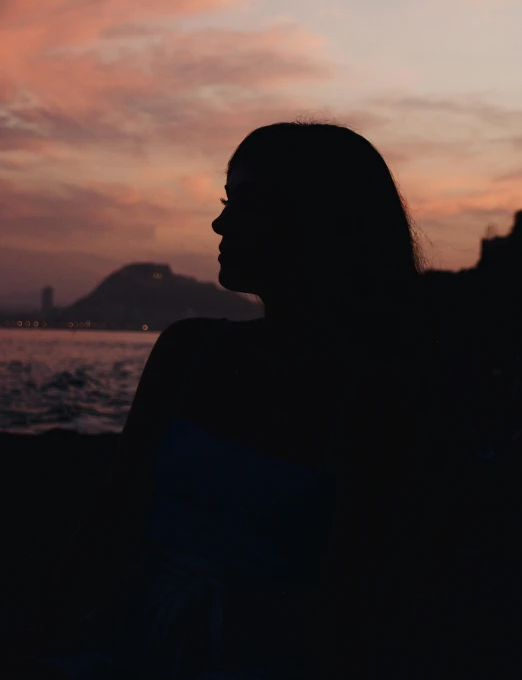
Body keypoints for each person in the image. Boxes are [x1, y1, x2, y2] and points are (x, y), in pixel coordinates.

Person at [8, 120, 459, 679]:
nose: (220, 222)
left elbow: (368, 597)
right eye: (226, 200)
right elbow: (109, 524)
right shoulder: (188, 351)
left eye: (248, 202)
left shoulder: (387, 396)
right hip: (127, 638)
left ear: (320, 221)